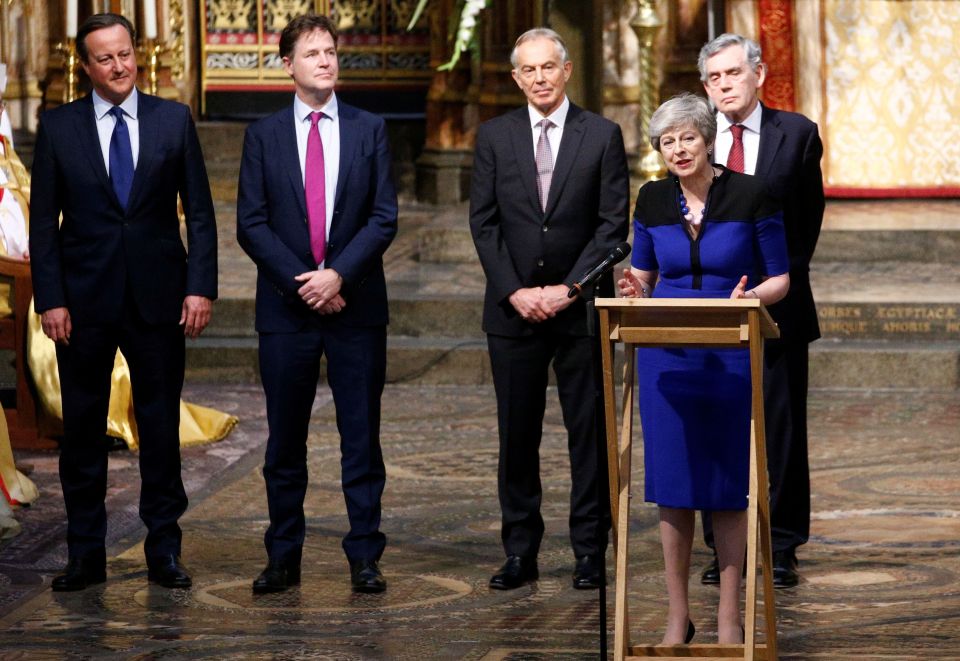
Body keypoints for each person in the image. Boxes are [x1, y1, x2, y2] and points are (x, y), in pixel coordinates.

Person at [29, 13, 218, 591]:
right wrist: (51, 298)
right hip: (82, 306)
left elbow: (203, 215)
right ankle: (85, 555)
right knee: (83, 433)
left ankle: (164, 548)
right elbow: (43, 225)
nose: (119, 66)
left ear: (138, 53)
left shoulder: (172, 120)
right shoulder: (58, 127)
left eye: (126, 54)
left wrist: (199, 286)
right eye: (105, 58)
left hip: (160, 299)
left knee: (161, 429)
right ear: (85, 66)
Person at [617, 92, 789, 643]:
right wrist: (632, 287)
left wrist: (748, 299)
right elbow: (643, 274)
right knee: (673, 484)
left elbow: (780, 278)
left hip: (731, 349)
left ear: (708, 139)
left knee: (724, 484)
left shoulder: (750, 193)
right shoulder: (650, 199)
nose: (678, 149)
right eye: (667, 141)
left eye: (687, 137)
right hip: (667, 353)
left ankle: (730, 618)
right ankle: (676, 616)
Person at [237, 13, 397, 595]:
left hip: (356, 306)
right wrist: (305, 282)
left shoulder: (369, 128)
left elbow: (384, 217)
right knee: (284, 442)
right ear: (288, 65)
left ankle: (365, 556)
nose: (326, 61)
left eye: (331, 51)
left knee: (361, 438)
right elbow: (251, 224)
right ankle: (283, 556)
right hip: (286, 310)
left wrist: (338, 277)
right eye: (313, 53)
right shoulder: (263, 135)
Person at [469, 27, 629, 591]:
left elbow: (613, 227)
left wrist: (571, 288)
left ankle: (590, 551)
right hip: (512, 313)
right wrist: (515, 290)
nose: (539, 78)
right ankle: (520, 552)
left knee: (588, 436)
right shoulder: (493, 136)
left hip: (579, 311)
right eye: (528, 70)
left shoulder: (602, 135)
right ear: (517, 77)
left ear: (566, 71)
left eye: (548, 67)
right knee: (517, 436)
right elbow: (484, 223)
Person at [697, 33, 825, 589]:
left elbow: (807, 221)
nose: (723, 85)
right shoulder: (696, 138)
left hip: (776, 304)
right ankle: (720, 547)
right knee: (715, 429)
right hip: (707, 307)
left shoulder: (794, 134)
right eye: (713, 78)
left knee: (780, 428)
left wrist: (771, 284)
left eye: (732, 73)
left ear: (758, 74)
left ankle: (782, 545)